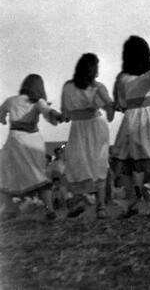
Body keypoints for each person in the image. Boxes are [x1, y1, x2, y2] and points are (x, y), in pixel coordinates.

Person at [112, 36, 150, 218]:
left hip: (131, 118)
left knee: (126, 162)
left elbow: (120, 103)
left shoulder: (121, 78)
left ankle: (132, 200)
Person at [0, 74, 63, 220]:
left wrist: (3, 120)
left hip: (15, 140)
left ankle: (10, 210)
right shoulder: (39, 102)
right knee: (38, 176)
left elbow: (0, 114)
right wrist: (57, 115)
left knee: (11, 176)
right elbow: (47, 111)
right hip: (33, 141)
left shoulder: (11, 100)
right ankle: (49, 210)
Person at [61, 53, 115, 219]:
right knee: (99, 164)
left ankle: (79, 200)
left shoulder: (68, 86)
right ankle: (101, 207)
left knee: (77, 164)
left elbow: (65, 113)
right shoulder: (97, 87)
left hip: (78, 127)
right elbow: (110, 113)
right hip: (95, 125)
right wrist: (111, 107)